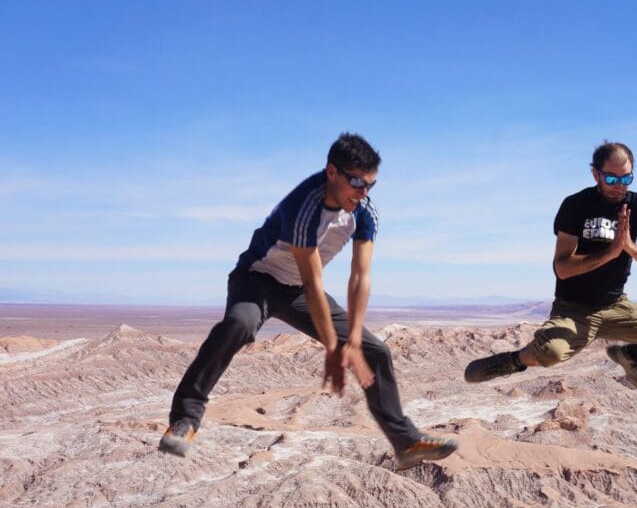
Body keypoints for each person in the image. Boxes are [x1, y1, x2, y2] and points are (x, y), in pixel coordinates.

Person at [159, 133, 457, 470]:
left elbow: (360, 276)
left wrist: (354, 341)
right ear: (332, 172)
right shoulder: (304, 207)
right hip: (258, 281)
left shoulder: (364, 212)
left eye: (371, 185)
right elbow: (314, 281)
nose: (363, 193)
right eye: (357, 182)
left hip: (298, 289)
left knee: (375, 352)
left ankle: (406, 442)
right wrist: (333, 347)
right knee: (238, 325)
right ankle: (185, 418)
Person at [464, 141, 637, 388]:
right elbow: (562, 268)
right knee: (551, 353)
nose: (619, 186)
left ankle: (632, 355)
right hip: (574, 309)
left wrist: (629, 247)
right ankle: (511, 361)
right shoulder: (576, 206)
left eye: (626, 179)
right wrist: (610, 253)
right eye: (611, 178)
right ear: (596, 173)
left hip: (616, 306)